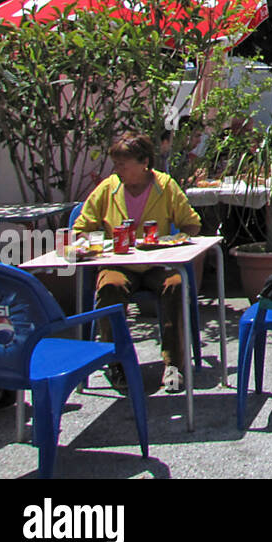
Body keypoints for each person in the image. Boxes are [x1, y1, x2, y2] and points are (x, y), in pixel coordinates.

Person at [74, 132, 201, 394]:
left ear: (144, 162)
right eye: (116, 164)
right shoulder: (108, 188)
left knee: (176, 285)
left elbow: (192, 223)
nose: (117, 169)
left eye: (123, 163)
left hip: (157, 263)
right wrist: (95, 242)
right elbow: (81, 227)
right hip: (118, 263)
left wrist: (174, 239)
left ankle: (174, 365)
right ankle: (118, 364)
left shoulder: (164, 186)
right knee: (110, 289)